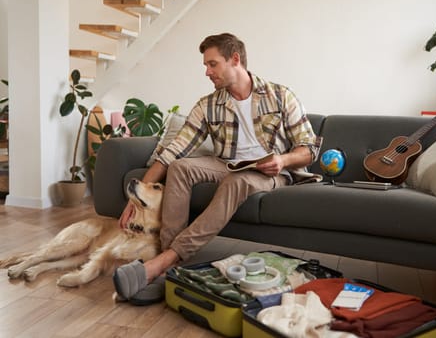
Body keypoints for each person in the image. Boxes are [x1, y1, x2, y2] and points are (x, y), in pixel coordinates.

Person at [113, 33, 322, 304]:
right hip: (227, 164)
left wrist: (282, 160)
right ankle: (169, 269)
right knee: (180, 167)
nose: (207, 72)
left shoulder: (280, 96)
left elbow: (309, 149)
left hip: (271, 172)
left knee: (237, 182)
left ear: (235, 59)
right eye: (206, 65)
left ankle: (161, 263)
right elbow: (173, 151)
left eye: (212, 64)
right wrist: (136, 198)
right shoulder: (209, 104)